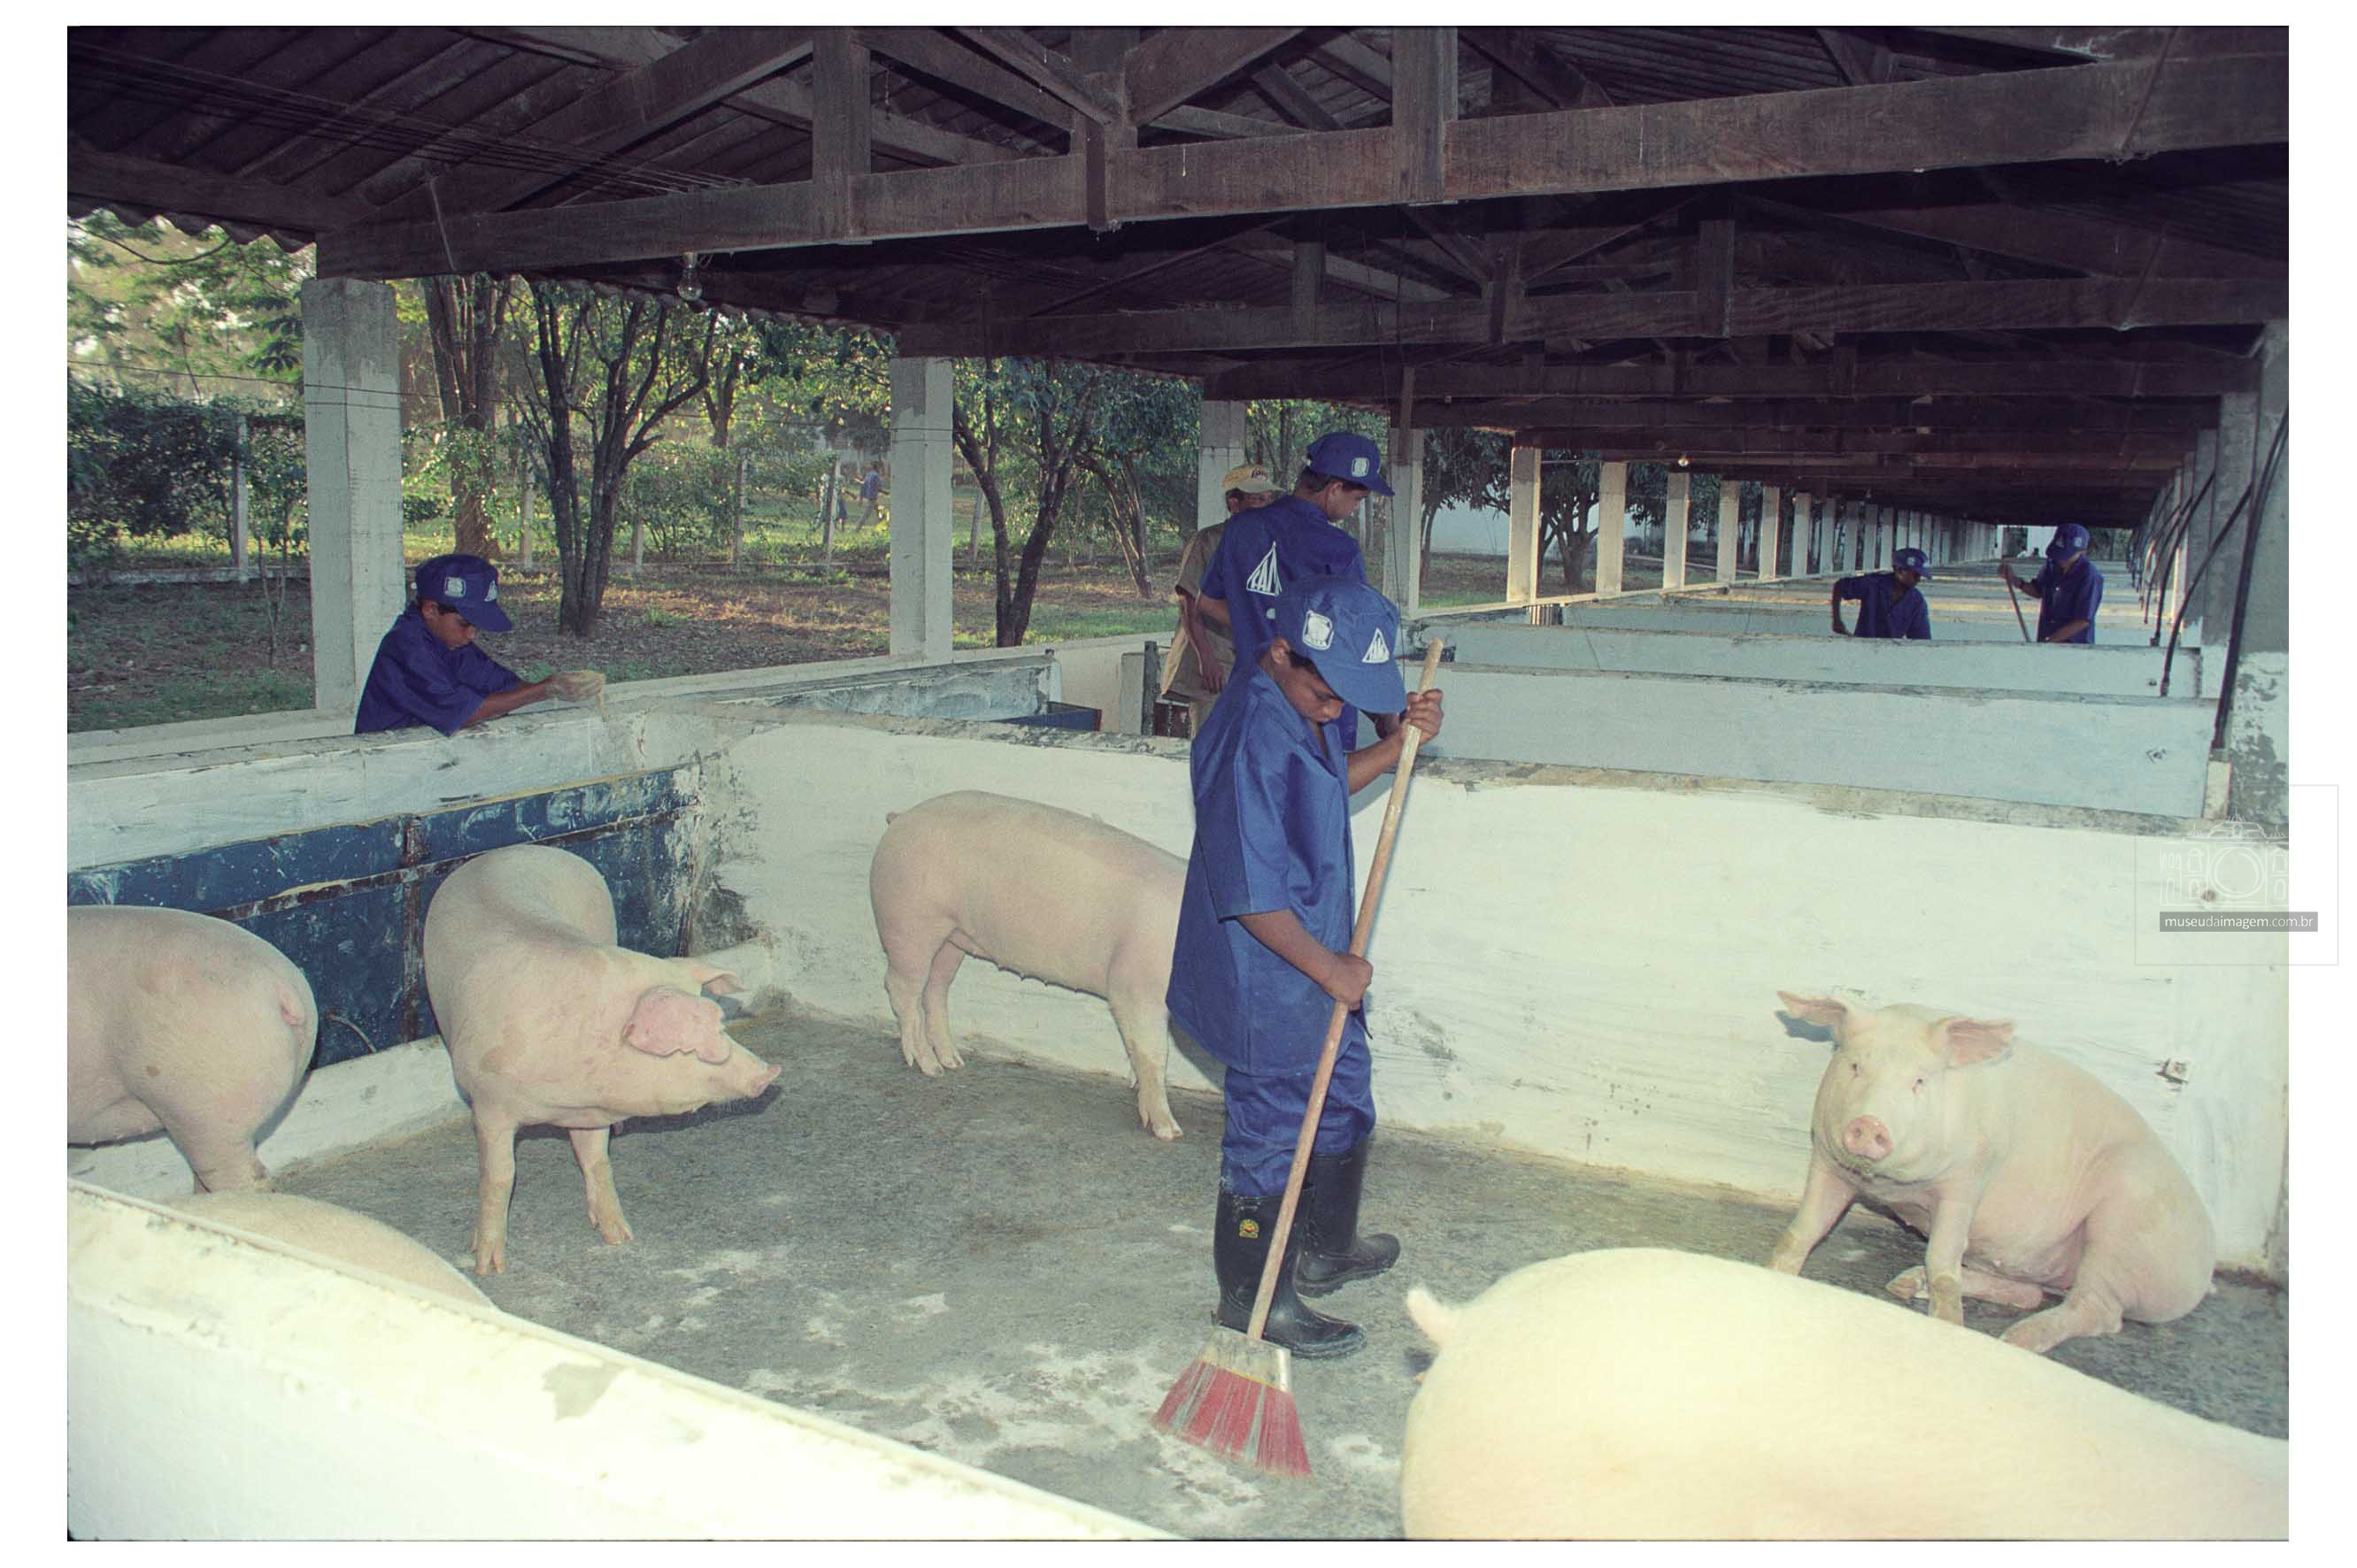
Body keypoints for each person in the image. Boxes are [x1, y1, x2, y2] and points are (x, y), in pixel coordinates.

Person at [1167, 575, 1444, 1359]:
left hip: (1319, 955)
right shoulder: (1246, 740)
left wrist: (1399, 744)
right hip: (1269, 970)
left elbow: (1321, 788)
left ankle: (1326, 1249)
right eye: (1326, 696)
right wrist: (1329, 971)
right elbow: (1250, 897)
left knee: (1344, 1098)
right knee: (1270, 1133)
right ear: (1282, 652)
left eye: (1347, 699)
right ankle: (1253, 1304)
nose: (1333, 712)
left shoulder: (1302, 702)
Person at [1196, 431, 1396, 755]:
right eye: (1358, 499)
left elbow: (1205, 602)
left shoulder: (1241, 528)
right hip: (1314, 710)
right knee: (1319, 785)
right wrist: (1384, 715)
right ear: (1334, 489)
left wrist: (1255, 624)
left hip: (1251, 701)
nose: (1355, 508)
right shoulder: (1339, 549)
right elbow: (1354, 643)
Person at [354, 554, 597, 736]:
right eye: (464, 624)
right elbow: (466, 714)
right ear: (431, 610)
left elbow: (506, 686)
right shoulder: (407, 647)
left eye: (476, 626)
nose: (472, 635)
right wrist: (545, 689)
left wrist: (566, 687)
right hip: (382, 761)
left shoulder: (450, 643)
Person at [1159, 463, 1282, 734]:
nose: (1265, 506)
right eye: (1257, 500)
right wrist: (1206, 657)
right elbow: (1189, 602)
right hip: (1215, 655)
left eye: (1268, 499)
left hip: (1251, 658)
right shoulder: (1208, 541)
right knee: (1211, 735)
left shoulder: (1271, 543)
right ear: (1234, 503)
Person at [2000, 523, 2104, 644]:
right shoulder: (2052, 566)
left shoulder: (2090, 576)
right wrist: (2014, 579)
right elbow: (2037, 591)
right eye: (2059, 554)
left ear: (2083, 551)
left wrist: (2050, 642)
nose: (2061, 559)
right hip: (2046, 639)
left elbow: (2082, 621)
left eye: (2067, 555)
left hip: (2074, 647)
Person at [1829, 546, 1933, 639]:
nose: (1918, 580)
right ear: (1899, 570)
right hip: (1862, 646)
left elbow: (1921, 640)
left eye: (1920, 576)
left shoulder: (1917, 601)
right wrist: (1837, 620)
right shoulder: (1873, 584)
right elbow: (1840, 586)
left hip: (1892, 650)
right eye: (1915, 575)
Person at [856, 461, 884, 527]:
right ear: (877, 467)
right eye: (880, 467)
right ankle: (856, 528)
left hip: (871, 497)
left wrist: (861, 499)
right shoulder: (876, 476)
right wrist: (886, 492)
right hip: (872, 498)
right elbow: (879, 488)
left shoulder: (868, 474)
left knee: (879, 510)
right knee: (866, 515)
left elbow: (863, 486)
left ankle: (882, 523)